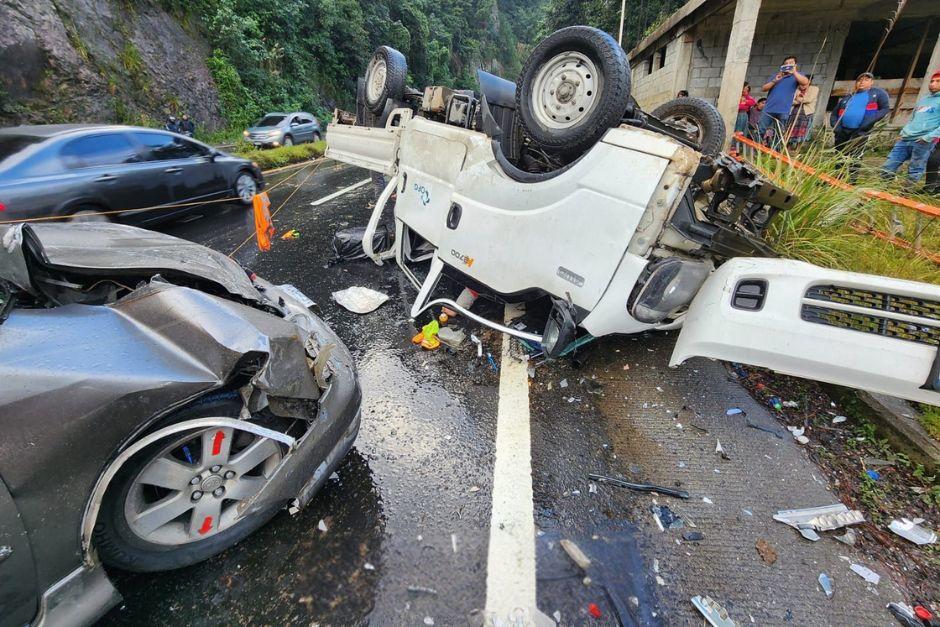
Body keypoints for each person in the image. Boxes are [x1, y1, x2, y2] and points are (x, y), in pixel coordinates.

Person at [881, 70, 940, 185]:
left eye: (938, 81)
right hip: (906, 138)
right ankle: (882, 189)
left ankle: (905, 194)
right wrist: (904, 131)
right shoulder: (924, 99)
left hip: (923, 141)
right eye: (932, 81)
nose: (932, 83)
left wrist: (927, 137)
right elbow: (913, 118)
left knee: (914, 169)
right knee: (888, 166)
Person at [830, 72, 890, 181]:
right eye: (859, 80)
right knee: (839, 156)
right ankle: (837, 178)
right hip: (842, 132)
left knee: (855, 157)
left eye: (866, 79)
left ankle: (851, 181)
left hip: (860, 132)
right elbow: (834, 114)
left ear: (872, 82)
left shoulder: (877, 94)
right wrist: (836, 128)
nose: (862, 81)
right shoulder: (848, 97)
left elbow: (885, 109)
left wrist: (869, 122)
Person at [759, 55, 810, 148]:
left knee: (780, 133)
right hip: (768, 108)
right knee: (761, 130)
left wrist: (794, 72)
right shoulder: (776, 76)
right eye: (786, 63)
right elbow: (764, 88)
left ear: (795, 65)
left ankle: (775, 152)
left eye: (791, 63)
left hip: (783, 110)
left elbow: (805, 82)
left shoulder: (797, 76)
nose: (788, 65)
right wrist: (774, 81)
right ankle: (757, 148)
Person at [785, 77, 818, 148]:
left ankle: (797, 150)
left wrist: (797, 98)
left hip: (805, 113)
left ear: (809, 82)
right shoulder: (796, 90)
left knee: (802, 132)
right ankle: (787, 149)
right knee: (790, 131)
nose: (802, 85)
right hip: (794, 113)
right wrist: (800, 100)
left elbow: (809, 100)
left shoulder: (814, 89)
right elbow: (790, 101)